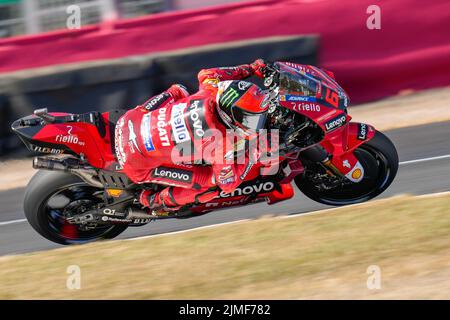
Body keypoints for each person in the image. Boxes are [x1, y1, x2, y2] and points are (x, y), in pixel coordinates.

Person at [115, 59, 273, 215]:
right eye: (251, 119)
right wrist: (254, 151)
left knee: (179, 90)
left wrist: (250, 69)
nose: (257, 123)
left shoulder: (211, 91)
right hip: (135, 162)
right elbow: (228, 184)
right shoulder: (221, 144)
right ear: (230, 117)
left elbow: (207, 73)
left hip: (128, 122)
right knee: (211, 185)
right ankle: (154, 200)